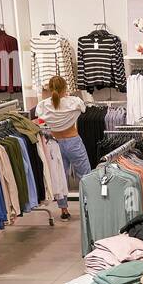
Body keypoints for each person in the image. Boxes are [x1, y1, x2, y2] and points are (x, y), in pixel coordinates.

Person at [34, 75, 91, 221]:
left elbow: (39, 117)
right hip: (73, 141)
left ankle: (64, 210)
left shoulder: (43, 106)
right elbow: (82, 109)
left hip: (55, 144)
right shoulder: (74, 102)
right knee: (85, 175)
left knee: (60, 176)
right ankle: (89, 207)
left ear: (50, 89)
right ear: (65, 88)